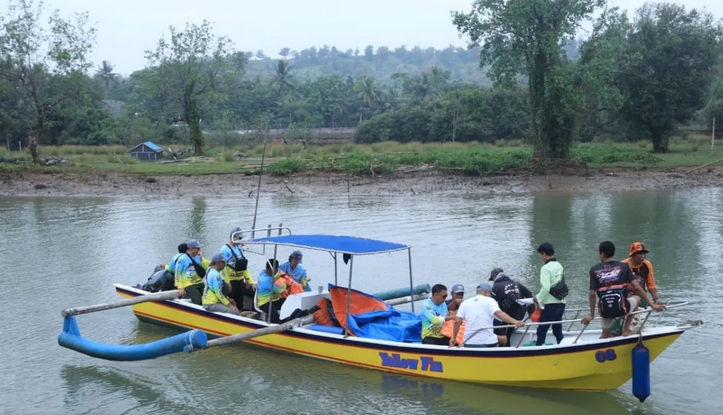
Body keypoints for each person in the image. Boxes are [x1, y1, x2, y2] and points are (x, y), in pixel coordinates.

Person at [582, 241, 665, 338]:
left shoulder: (594, 269)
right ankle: (626, 329)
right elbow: (637, 288)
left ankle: (596, 350)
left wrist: (591, 315)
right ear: (632, 255)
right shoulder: (624, 266)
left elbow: (592, 294)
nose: (642, 256)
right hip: (623, 305)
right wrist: (652, 305)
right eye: (639, 254)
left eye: (643, 254)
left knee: (605, 334)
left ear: (602, 254)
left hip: (605, 309)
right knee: (637, 297)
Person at [451, 282, 524, 348]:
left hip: (468, 342)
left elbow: (457, 321)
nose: (491, 296)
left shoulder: (465, 303)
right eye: (490, 294)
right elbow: (499, 314)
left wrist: (453, 338)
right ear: (486, 293)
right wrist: (515, 322)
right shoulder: (490, 300)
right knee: (496, 340)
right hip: (486, 342)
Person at [534, 242, 566, 346]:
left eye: (540, 254)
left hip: (550, 304)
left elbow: (546, 287)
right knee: (557, 330)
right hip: (561, 303)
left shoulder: (545, 268)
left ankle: (538, 351)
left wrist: (537, 298)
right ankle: (563, 348)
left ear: (544, 253)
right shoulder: (559, 265)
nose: (540, 257)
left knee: (541, 330)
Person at [490, 270, 533, 346]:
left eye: (492, 279)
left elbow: (490, 303)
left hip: (508, 315)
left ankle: (505, 351)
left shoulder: (496, 286)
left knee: (505, 334)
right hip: (521, 313)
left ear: (494, 276)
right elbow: (529, 293)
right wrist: (531, 310)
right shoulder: (516, 283)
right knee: (508, 330)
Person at [220, 227, 256, 310]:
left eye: (241, 238)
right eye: (239, 238)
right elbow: (222, 268)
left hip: (239, 279)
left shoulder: (240, 248)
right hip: (230, 280)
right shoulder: (224, 249)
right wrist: (227, 282)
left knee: (240, 302)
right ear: (233, 237)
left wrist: (250, 281)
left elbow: (243, 266)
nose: (240, 240)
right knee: (231, 301)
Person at [174, 239, 208, 305]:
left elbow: (208, 267)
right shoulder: (182, 259)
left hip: (199, 282)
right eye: (198, 248)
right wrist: (180, 287)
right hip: (188, 284)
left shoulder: (198, 257)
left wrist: (201, 259)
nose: (199, 250)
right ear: (191, 249)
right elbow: (177, 274)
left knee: (207, 299)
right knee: (197, 300)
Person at [257, 258, 287, 323]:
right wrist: (285, 283)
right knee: (274, 315)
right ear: (270, 269)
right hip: (264, 303)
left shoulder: (262, 273)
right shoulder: (268, 281)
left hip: (271, 299)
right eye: (276, 269)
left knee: (286, 302)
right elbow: (280, 290)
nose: (277, 271)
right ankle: (276, 323)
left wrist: (279, 276)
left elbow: (274, 277)